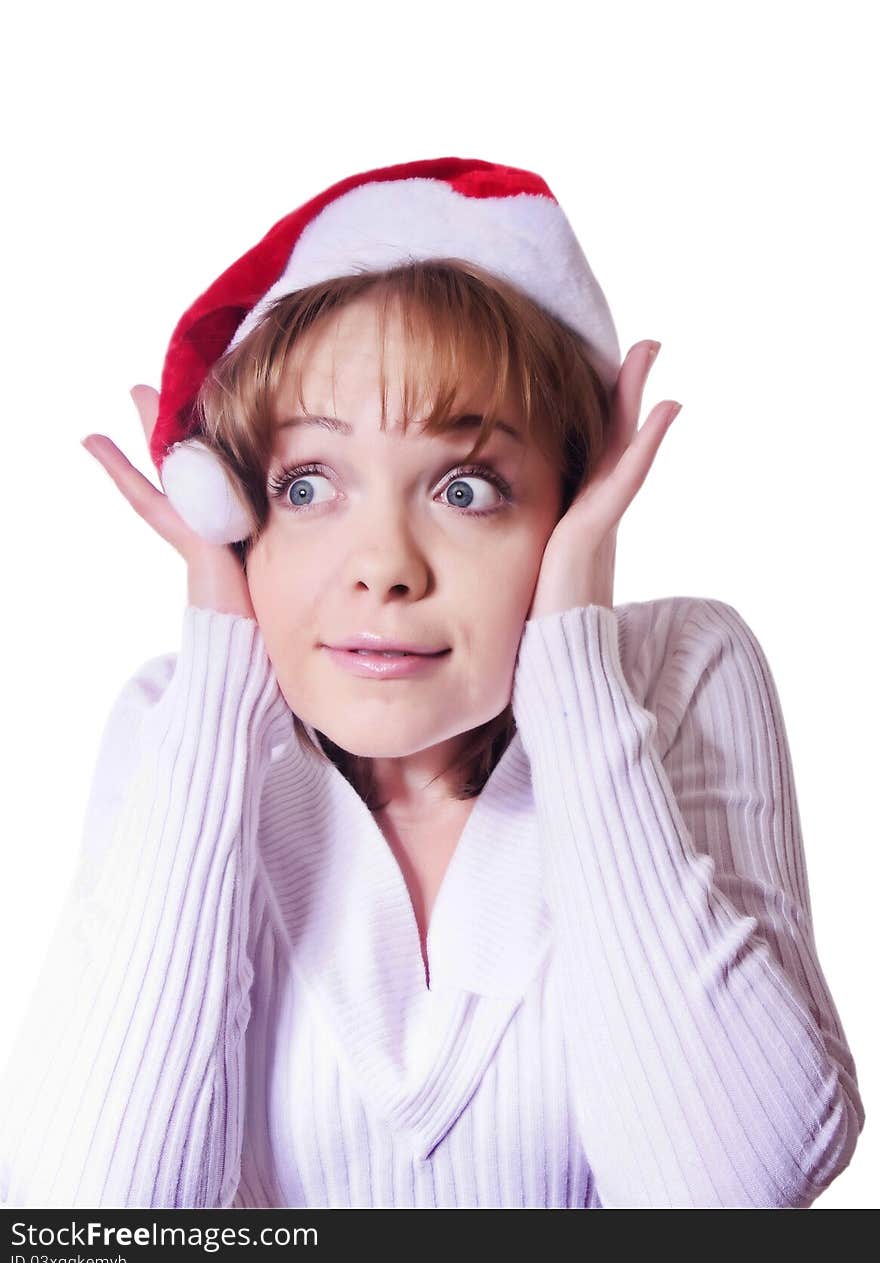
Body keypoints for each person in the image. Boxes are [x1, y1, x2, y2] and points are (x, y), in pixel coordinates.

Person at [0, 157, 864, 1209]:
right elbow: (96, 1220)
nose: (385, 565)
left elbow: (730, 1197)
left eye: (466, 487)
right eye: (308, 484)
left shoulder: (681, 670)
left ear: (570, 501)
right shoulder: (174, 722)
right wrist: (221, 672)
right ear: (233, 511)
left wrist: (574, 662)